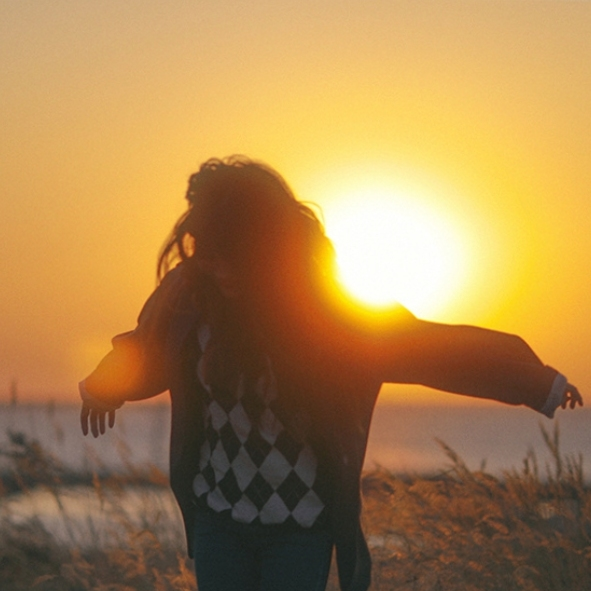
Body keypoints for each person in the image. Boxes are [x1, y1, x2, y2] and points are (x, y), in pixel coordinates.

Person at [79, 156, 583, 591]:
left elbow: (433, 348)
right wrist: (106, 385)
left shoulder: (331, 320)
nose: (219, 268)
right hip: (218, 520)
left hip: (300, 527)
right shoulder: (192, 296)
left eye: (232, 254)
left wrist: (536, 382)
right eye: (210, 253)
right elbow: (147, 345)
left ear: (266, 249)